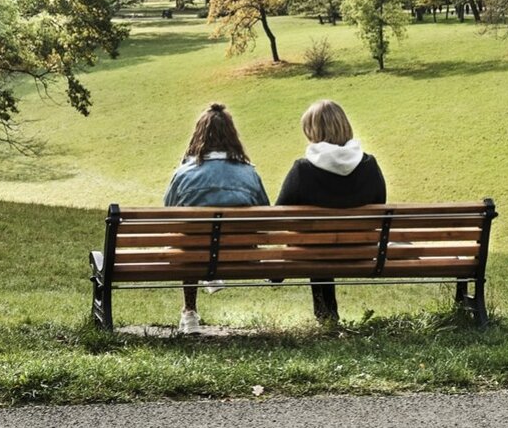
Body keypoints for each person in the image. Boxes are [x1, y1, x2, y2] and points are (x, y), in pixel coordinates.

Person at [276, 100, 386, 323]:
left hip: (313, 252)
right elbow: (380, 205)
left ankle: (326, 316)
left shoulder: (303, 170)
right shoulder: (369, 164)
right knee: (319, 242)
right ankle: (328, 315)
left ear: (313, 131)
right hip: (361, 248)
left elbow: (278, 214)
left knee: (315, 243)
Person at [164, 103, 269, 333]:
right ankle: (214, 271)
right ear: (232, 135)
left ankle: (189, 313)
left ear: (198, 135)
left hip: (194, 255)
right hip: (240, 255)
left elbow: (169, 212)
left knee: (187, 241)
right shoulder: (249, 173)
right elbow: (265, 213)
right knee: (202, 242)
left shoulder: (183, 174)